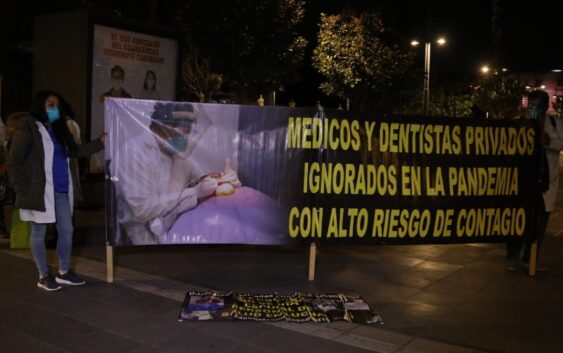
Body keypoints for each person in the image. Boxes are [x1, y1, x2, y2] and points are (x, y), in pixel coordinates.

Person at [7, 91, 105, 291]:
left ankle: (64, 271)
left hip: (61, 190)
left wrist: (100, 143)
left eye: (57, 105)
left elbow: (76, 152)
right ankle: (43, 275)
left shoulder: (60, 129)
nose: (55, 108)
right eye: (51, 104)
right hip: (38, 191)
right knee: (38, 232)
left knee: (67, 231)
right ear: (40, 105)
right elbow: (14, 162)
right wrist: (22, 190)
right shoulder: (28, 127)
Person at [110, 102, 217, 245]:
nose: (183, 140)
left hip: (174, 224)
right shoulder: (133, 154)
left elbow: (202, 176)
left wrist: (217, 179)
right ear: (157, 128)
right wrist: (194, 193)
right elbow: (143, 209)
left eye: (186, 134)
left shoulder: (178, 154)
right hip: (141, 232)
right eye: (178, 134)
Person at [506, 90, 563, 271]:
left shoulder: (555, 124)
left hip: (545, 184)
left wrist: (547, 141)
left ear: (546, 107)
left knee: (539, 225)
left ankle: (529, 260)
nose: (534, 110)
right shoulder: (520, 122)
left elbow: (561, 143)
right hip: (522, 183)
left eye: (538, 106)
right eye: (531, 106)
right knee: (517, 221)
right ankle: (513, 257)